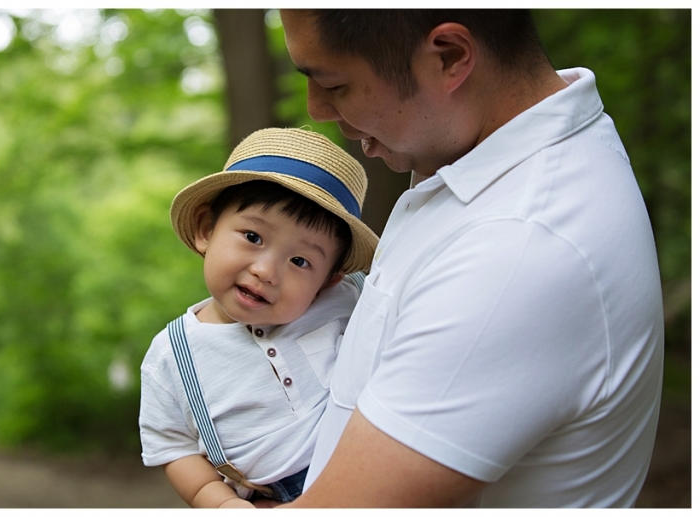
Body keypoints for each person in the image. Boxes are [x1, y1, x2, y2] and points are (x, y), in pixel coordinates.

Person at [278, 9, 664, 508]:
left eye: (333, 83)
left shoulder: (516, 252)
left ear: (450, 57)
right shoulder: (482, 169)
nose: (316, 109)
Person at [138, 127, 379, 508]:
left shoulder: (346, 300)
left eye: (300, 261)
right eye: (253, 237)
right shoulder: (172, 355)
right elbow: (173, 445)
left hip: (371, 471)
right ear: (206, 229)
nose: (266, 271)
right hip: (269, 497)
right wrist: (218, 502)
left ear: (329, 278)